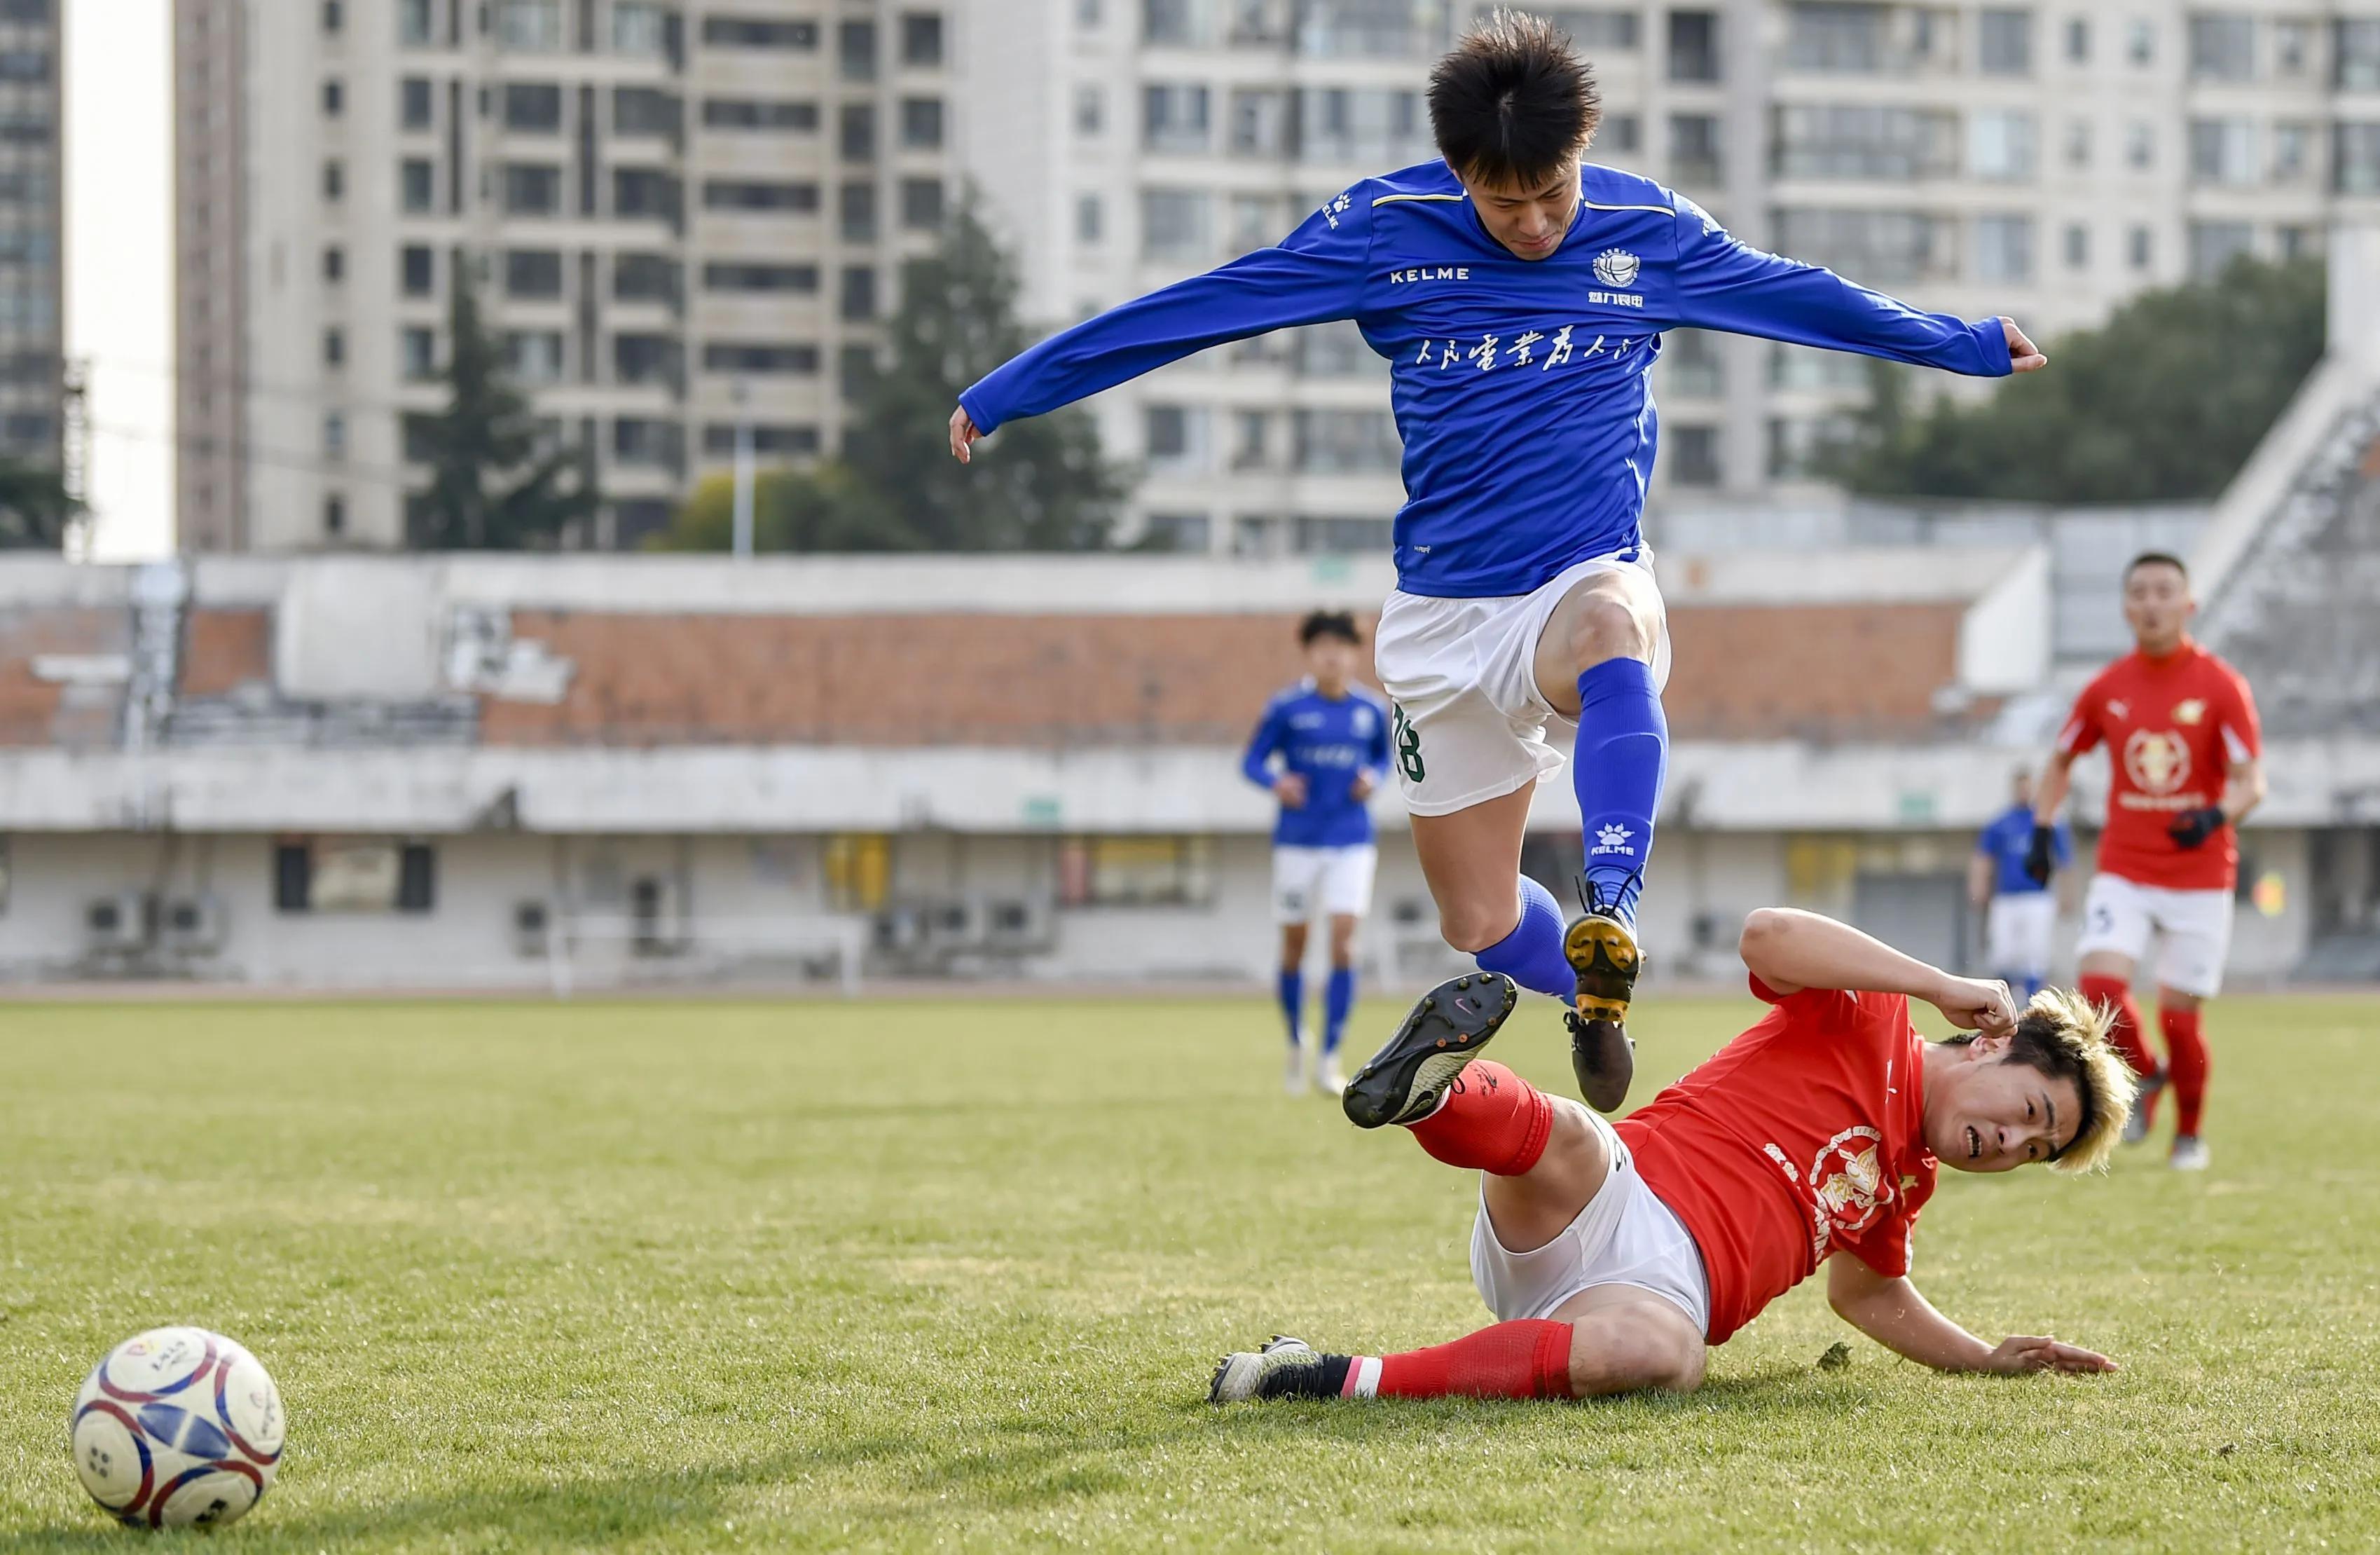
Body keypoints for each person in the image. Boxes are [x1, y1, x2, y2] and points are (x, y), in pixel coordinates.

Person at [948, 12, 2047, 1116]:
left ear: (1584, 153)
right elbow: (1200, 309)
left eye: (1552, 195)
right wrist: (1010, 391)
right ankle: (1591, 988)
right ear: (1456, 171)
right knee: (1474, 921)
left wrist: (1956, 341)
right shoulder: (1384, 231)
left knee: (1615, 626)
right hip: (1440, 617)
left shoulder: (1645, 231)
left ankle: (1612, 899)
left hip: (1580, 576)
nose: (1532, 224)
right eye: (1502, 202)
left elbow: (1800, 295)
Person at [1208, 908, 2132, 1405]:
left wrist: (1980, 1357)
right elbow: (1765, 934)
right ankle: (1433, 1094)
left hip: (1651, 1299)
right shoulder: (1871, 1012)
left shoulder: (1905, 1183)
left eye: (2033, 1149)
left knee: (1669, 1356)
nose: (2010, 1143)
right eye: (2027, 1111)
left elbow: (1867, 1292)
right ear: (1990, 1044)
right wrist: (1936, 981)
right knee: (1570, 1136)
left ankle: (1320, 1372)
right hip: (1616, 1189)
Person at [2025, 552, 2264, 1172]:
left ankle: (2189, 1134)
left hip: (2200, 874)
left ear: (2188, 605)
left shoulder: (2219, 685)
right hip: (2125, 867)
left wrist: (2215, 816)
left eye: (2165, 591)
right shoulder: (2106, 687)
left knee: (2180, 1016)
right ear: (2126, 606)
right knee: (2100, 986)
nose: (2152, 602)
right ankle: (2148, 1073)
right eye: (2139, 592)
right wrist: (2042, 828)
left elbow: (2250, 781)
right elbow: (2059, 759)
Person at [1241, 611, 1394, 1095]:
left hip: (1351, 840)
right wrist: (1276, 781)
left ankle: (1330, 1056)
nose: (1332, 655)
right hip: (1297, 842)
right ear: (1309, 653)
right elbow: (1251, 760)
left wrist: (1374, 777)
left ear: (1353, 653)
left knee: (1344, 940)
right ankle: (1294, 1039)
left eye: (1341, 646)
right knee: (1294, 944)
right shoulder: (1287, 707)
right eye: (1322, 646)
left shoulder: (1370, 710)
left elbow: (1384, 756)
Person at [1971, 767, 2070, 999]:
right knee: (2003, 952)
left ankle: (2033, 1001)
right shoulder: (2000, 823)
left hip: (2038, 897)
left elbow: (2065, 861)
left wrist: (2067, 894)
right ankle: (2002, 1000)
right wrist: (1979, 886)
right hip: (2006, 897)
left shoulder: (2049, 822)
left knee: (2035, 953)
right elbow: (1983, 857)